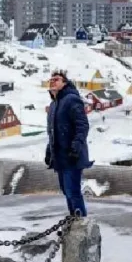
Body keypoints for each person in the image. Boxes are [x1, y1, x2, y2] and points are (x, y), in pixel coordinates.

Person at [45, 69, 92, 216]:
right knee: (66, 190)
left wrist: (76, 147)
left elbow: (82, 125)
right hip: (60, 157)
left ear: (65, 83)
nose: (53, 82)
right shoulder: (53, 105)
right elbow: (53, 132)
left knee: (73, 191)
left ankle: (81, 221)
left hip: (72, 156)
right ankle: (74, 218)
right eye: (51, 80)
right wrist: (49, 152)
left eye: (57, 79)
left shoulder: (71, 99)